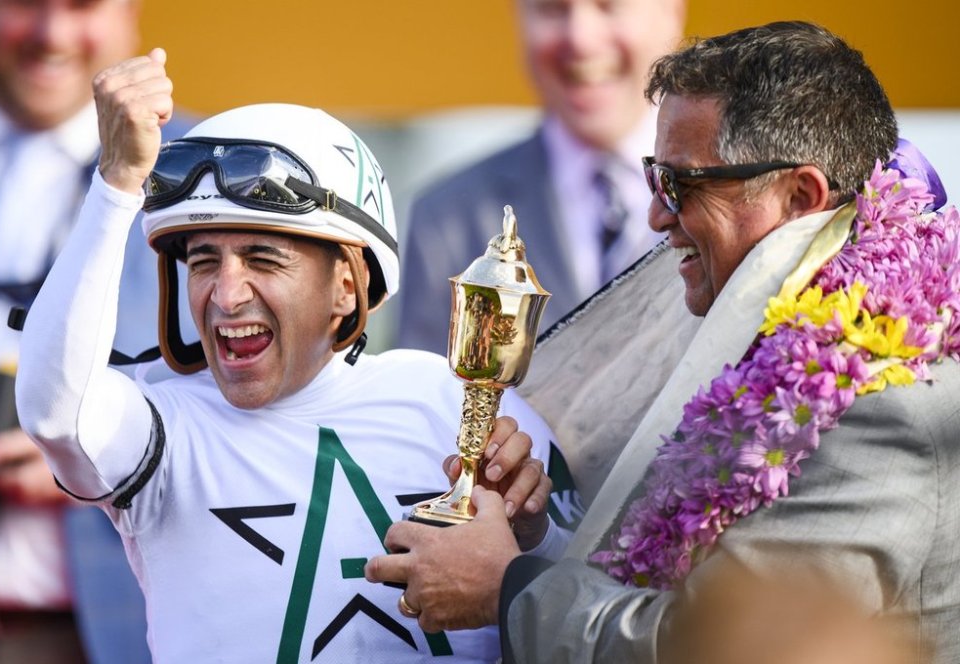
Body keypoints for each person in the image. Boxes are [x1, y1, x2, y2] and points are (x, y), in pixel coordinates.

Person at [365, 21, 960, 663]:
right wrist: (535, 536)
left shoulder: (875, 400)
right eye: (653, 177)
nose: (656, 215)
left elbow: (719, 648)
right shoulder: (757, 344)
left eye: (681, 184)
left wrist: (507, 591)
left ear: (800, 195)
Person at [14, 49, 580, 662]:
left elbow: (611, 606)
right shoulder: (165, 426)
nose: (226, 295)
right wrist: (117, 183)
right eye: (204, 261)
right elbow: (54, 412)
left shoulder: (453, 400)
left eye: (263, 258)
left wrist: (533, 537)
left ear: (346, 285)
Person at [0, 1, 193, 662]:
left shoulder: (210, 175)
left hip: (123, 633)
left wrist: (102, 447)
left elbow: (272, 413)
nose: (52, 33)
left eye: (84, 5)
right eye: (25, 2)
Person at [395, 0, 686, 353]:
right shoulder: (446, 219)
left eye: (608, 6)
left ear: (671, 12)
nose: (580, 37)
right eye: (552, 9)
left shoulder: (734, 198)